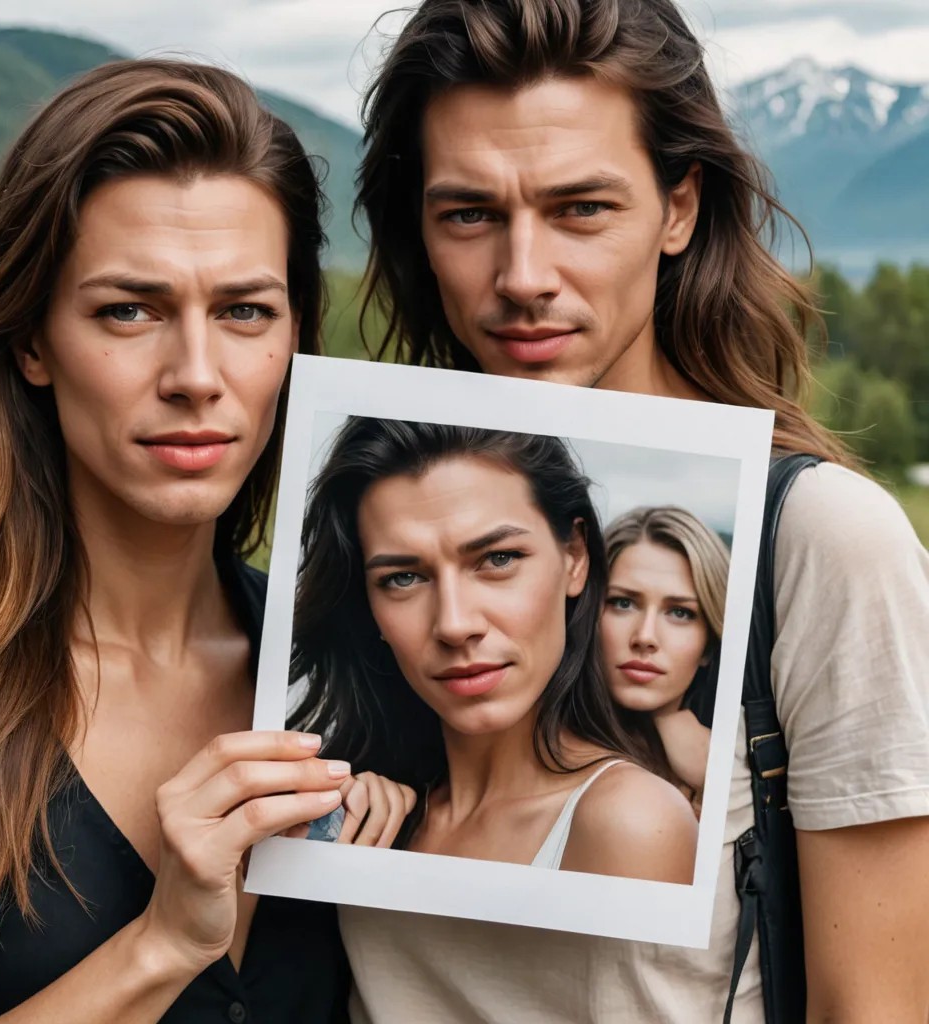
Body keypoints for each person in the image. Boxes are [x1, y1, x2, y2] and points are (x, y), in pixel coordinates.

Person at [349, 1, 929, 1021]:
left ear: (679, 210)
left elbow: (874, 1006)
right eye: (469, 214)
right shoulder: (381, 545)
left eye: (581, 208)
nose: (523, 277)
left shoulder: (822, 539)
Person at [0, 58, 408, 1024]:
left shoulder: (366, 661)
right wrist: (163, 946)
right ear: (32, 342)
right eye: (129, 310)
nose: (195, 374)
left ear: (296, 339)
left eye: (244, 312)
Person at [291, 416, 697, 878]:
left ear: (575, 557)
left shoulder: (632, 822)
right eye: (403, 578)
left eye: (498, 559)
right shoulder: (361, 811)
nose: (455, 624)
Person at [601, 506, 731, 816]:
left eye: (680, 613)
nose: (645, 637)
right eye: (623, 603)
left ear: (709, 647)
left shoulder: (731, 770)